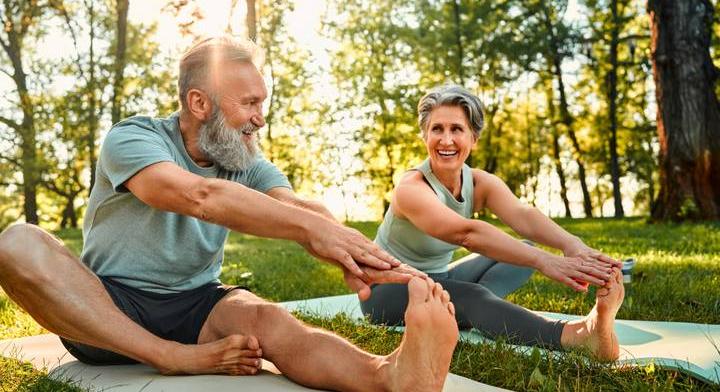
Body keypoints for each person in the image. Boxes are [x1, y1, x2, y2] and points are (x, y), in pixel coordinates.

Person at [0, 37, 460, 392]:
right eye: (250, 103)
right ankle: (168, 355)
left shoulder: (244, 159)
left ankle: (390, 376)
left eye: (263, 102)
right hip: (107, 307)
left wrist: (352, 249)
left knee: (271, 321)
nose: (261, 118)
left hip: (199, 303)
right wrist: (307, 229)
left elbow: (295, 206)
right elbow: (197, 195)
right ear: (199, 103)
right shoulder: (134, 138)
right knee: (16, 242)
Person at [360, 84, 625, 361]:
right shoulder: (411, 188)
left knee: (519, 251)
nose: (446, 140)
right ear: (425, 136)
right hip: (385, 290)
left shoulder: (477, 182)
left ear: (473, 138)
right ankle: (580, 336)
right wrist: (546, 261)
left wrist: (572, 245)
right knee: (473, 295)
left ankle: (472, 309)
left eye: (457, 129)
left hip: (438, 277)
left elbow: (523, 216)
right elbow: (466, 234)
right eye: (437, 129)